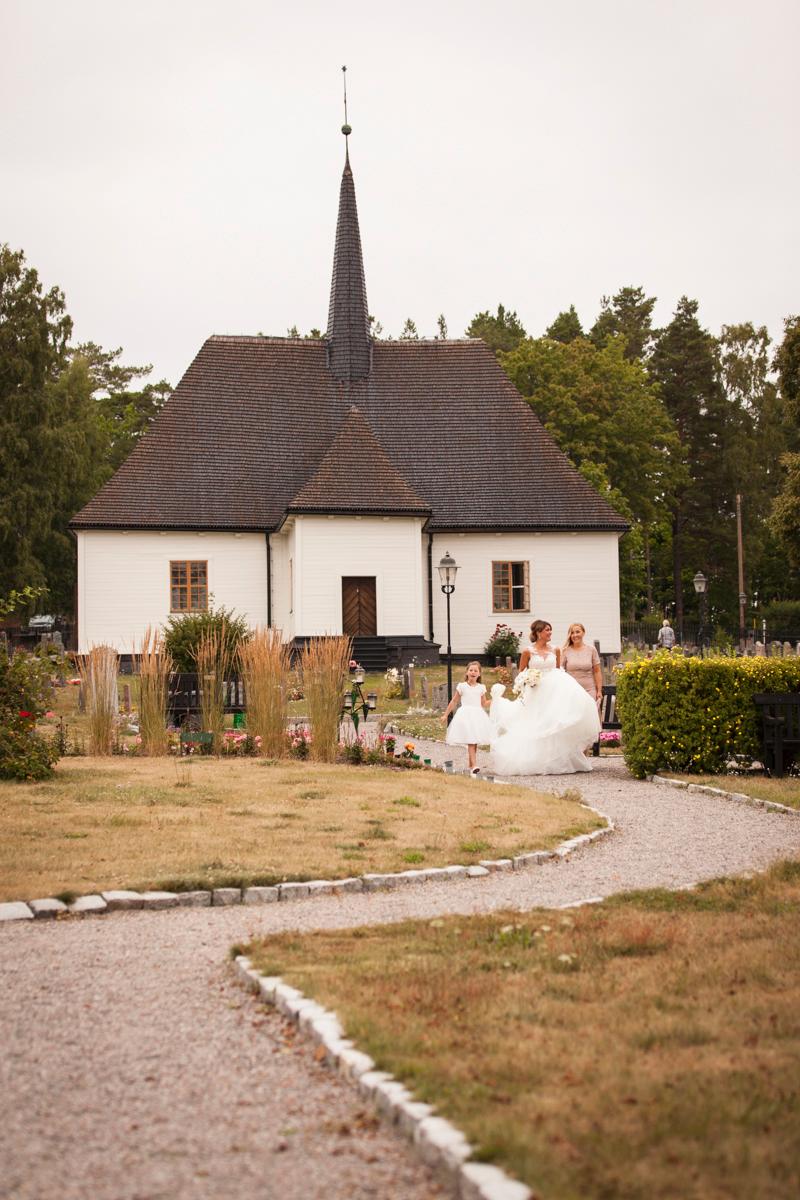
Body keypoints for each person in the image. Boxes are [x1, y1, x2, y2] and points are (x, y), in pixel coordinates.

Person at [490, 619, 600, 775]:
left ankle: (560, 761)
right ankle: (534, 761)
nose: (550, 632)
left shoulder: (555, 649)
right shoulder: (528, 651)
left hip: (553, 691)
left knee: (554, 721)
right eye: (547, 630)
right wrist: (528, 679)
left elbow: (558, 670)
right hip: (536, 692)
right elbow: (521, 672)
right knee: (535, 722)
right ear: (538, 633)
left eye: (550, 629)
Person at [442, 660, 493, 776]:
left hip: (477, 715)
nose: (473, 672)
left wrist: (496, 700)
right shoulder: (462, 686)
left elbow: (484, 703)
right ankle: (474, 765)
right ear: (467, 672)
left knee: (474, 742)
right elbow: (454, 701)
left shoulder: (481, 687)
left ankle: (471, 766)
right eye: (471, 670)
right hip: (465, 715)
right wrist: (446, 714)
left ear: (479, 674)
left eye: (476, 670)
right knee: (471, 740)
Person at [562, 623, 603, 706]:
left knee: (590, 715)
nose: (575, 635)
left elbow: (597, 671)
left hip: (589, 690)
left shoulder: (591, 649)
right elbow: (560, 672)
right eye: (572, 633)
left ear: (583, 633)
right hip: (571, 690)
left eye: (577, 632)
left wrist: (599, 691)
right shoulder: (565, 651)